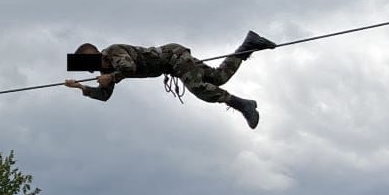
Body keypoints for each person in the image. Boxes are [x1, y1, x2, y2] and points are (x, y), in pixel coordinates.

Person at [65, 31, 275, 129]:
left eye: (95, 68)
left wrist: (110, 76)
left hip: (173, 56)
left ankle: (242, 105)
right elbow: (104, 96)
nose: (96, 72)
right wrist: (81, 87)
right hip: (172, 65)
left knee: (198, 88)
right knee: (218, 78)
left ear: (97, 57)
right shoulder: (109, 69)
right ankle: (250, 44)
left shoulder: (112, 52)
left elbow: (128, 67)